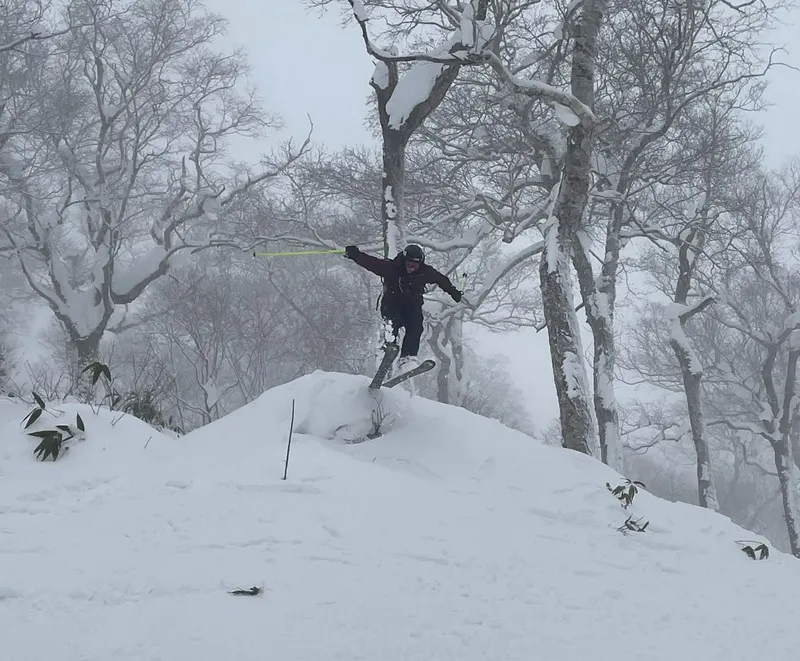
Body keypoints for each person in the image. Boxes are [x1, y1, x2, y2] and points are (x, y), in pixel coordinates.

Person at [344, 244, 463, 368]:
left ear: (420, 263)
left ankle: (407, 358)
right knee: (392, 323)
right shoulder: (391, 268)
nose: (412, 267)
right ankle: (386, 350)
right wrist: (356, 255)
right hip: (392, 304)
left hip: (412, 307)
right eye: (409, 263)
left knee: (416, 326)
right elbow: (371, 263)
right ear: (404, 260)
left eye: (415, 265)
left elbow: (441, 279)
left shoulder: (425, 272)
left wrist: (453, 291)